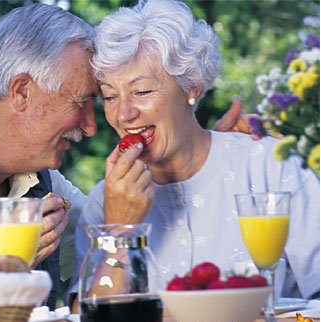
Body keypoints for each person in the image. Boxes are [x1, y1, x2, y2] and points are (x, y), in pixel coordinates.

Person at [0, 1, 253, 309]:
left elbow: (113, 234)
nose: (92, 126)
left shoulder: (48, 187)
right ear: (22, 92)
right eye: (85, 101)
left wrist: (198, 154)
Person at [68, 0, 320, 309]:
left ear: (192, 87)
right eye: (109, 96)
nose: (124, 114)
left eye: (142, 91)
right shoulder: (103, 204)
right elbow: (87, 316)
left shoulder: (271, 168)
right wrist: (119, 232)